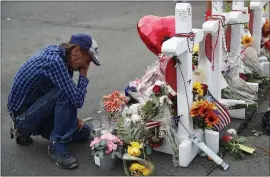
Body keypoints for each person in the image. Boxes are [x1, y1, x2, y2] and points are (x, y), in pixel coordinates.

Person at [7, 33, 100, 169]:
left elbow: (65, 98)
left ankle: (25, 134)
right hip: (23, 118)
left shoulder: (63, 58)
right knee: (64, 92)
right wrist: (83, 75)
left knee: (84, 132)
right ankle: (57, 145)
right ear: (76, 51)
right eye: (88, 60)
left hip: (35, 109)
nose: (87, 65)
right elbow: (77, 100)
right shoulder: (55, 62)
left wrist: (71, 119)